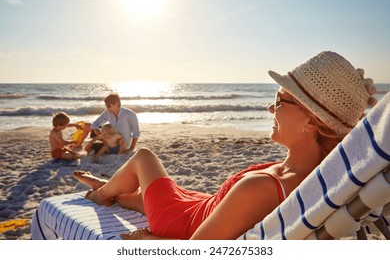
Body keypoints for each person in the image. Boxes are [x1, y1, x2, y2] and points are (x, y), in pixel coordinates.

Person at [72, 51, 377, 240]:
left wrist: (151, 242)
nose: (271, 110)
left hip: (183, 222)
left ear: (311, 122)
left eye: (279, 101)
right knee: (137, 196)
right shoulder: (307, 178)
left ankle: (99, 194)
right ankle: (112, 189)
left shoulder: (262, 187)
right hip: (202, 207)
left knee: (144, 157)